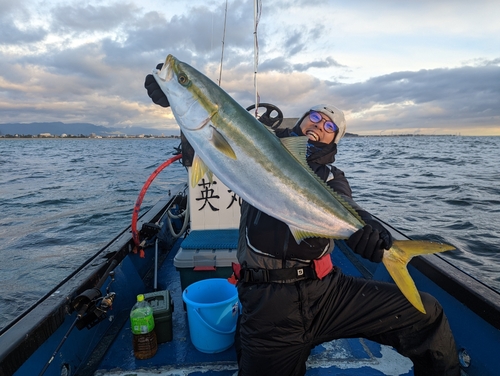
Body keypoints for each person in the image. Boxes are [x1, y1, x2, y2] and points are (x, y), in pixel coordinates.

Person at [144, 71, 460, 376]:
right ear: (302, 120)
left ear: (335, 139)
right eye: (315, 117)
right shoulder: (262, 146)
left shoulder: (333, 178)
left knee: (426, 314)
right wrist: (175, 100)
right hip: (269, 302)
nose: (319, 126)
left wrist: (369, 231)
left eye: (329, 126)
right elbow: (210, 144)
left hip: (328, 292)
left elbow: (346, 204)